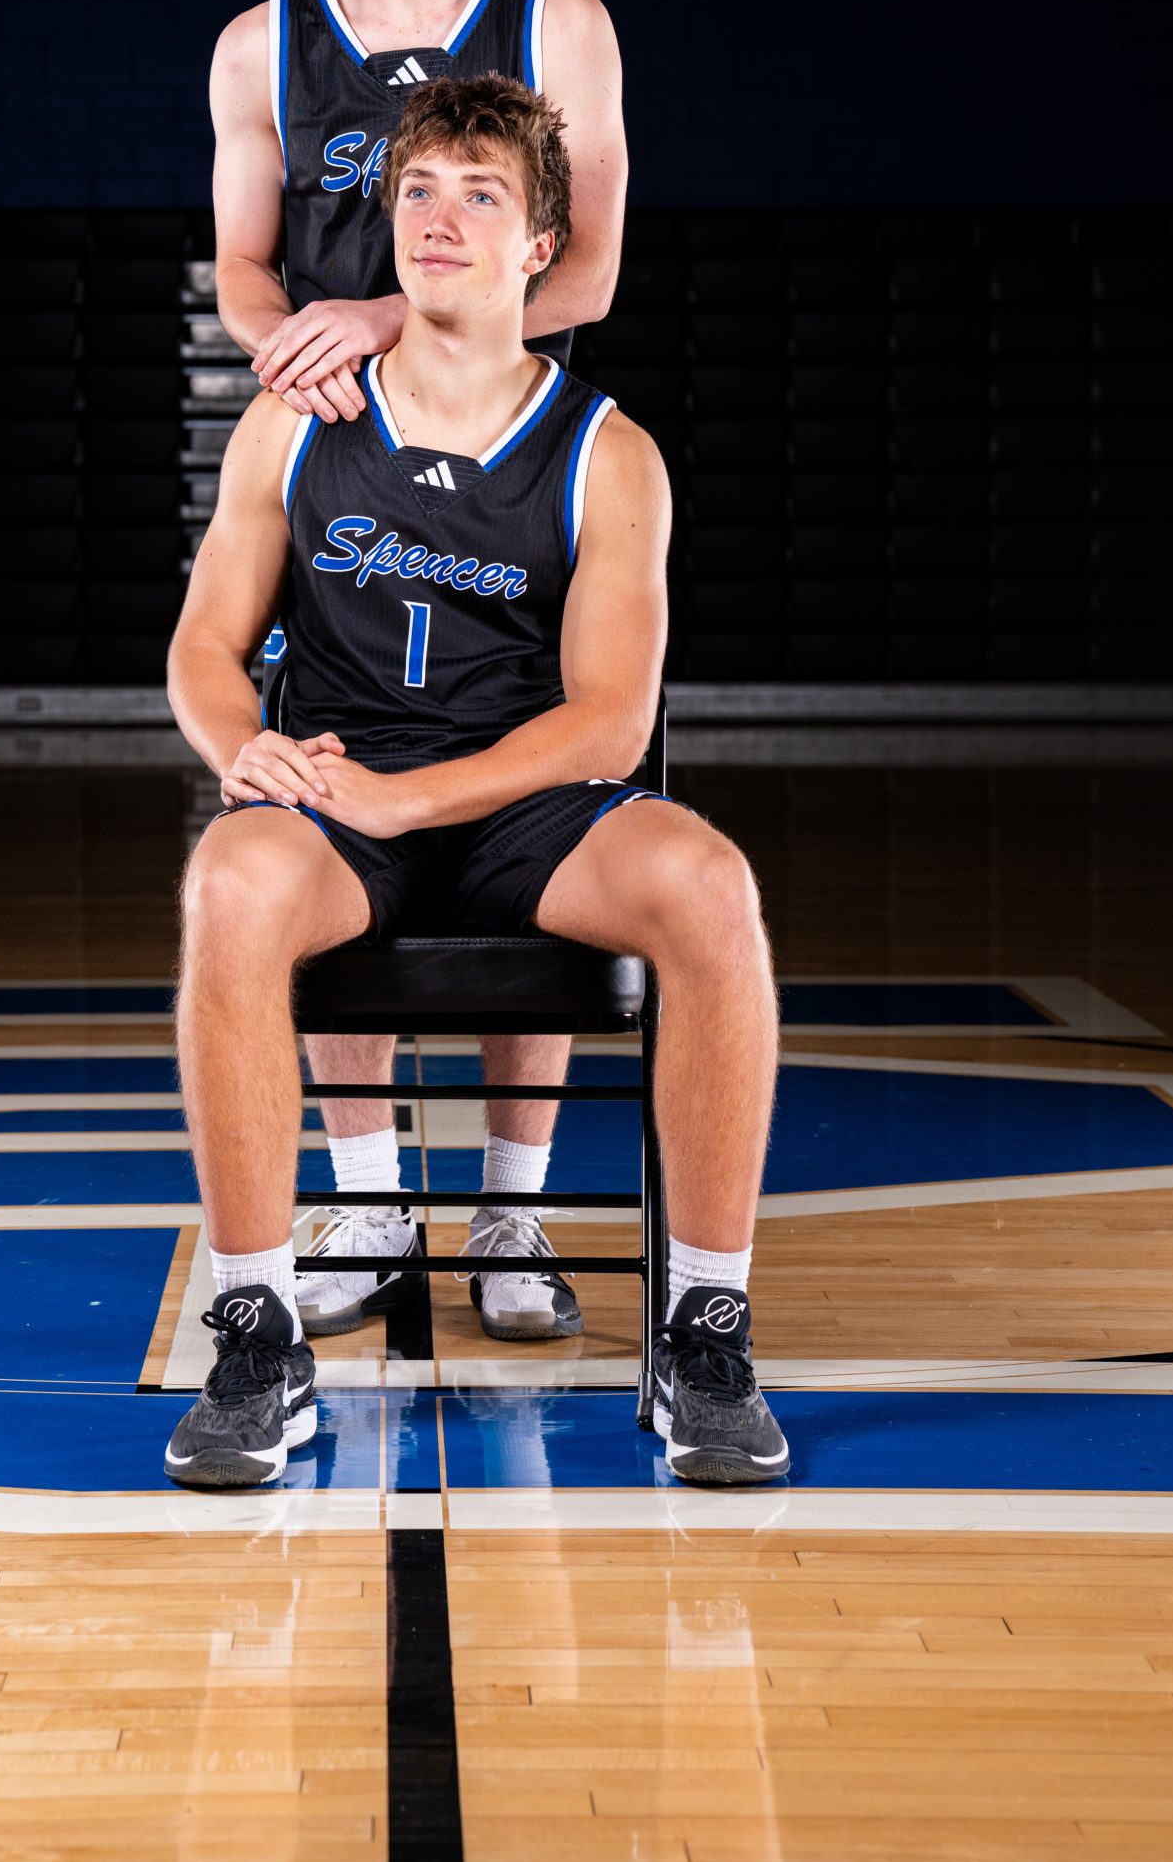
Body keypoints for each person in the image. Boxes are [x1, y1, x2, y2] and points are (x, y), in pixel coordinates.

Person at [165, 74, 787, 1491]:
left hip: (529, 809)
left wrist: (417, 799)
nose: (440, 220)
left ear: (539, 248)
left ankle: (704, 1335)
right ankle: (256, 1339)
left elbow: (610, 724)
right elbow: (203, 646)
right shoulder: (293, 422)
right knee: (228, 884)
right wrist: (240, 745)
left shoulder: (606, 452)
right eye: (419, 193)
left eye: (481, 195)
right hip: (342, 794)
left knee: (709, 884)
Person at [209, 0, 628, 1343]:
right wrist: (291, 359)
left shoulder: (557, 19)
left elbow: (588, 269)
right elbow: (245, 265)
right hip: (332, 453)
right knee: (323, 778)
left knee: (547, 793)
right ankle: (374, 1202)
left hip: (509, 442)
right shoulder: (259, 42)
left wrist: (393, 318)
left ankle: (512, 1215)